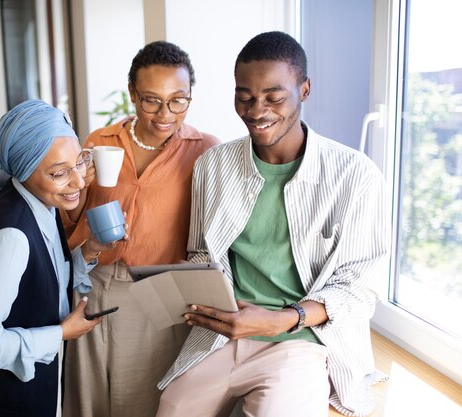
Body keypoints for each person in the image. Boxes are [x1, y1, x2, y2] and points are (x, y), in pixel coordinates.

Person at [156, 31, 390, 417]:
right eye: (244, 97)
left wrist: (283, 319)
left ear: (305, 89)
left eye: (274, 97)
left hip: (300, 341)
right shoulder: (213, 166)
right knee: (172, 408)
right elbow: (201, 251)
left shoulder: (354, 175)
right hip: (223, 334)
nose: (256, 110)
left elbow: (359, 290)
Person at [61, 41, 220, 417]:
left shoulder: (206, 151)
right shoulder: (99, 142)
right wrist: (76, 187)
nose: (165, 113)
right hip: (94, 283)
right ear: (132, 94)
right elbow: (69, 222)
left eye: (178, 100)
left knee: (145, 402)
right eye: (151, 100)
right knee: (88, 399)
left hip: (160, 292)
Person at [0, 100, 124, 417]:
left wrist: (90, 249)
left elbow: (43, 272)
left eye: (79, 162)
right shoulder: (11, 238)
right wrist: (60, 334)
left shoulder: (38, 200)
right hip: (1, 400)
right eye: (59, 173)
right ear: (25, 170)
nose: (80, 182)